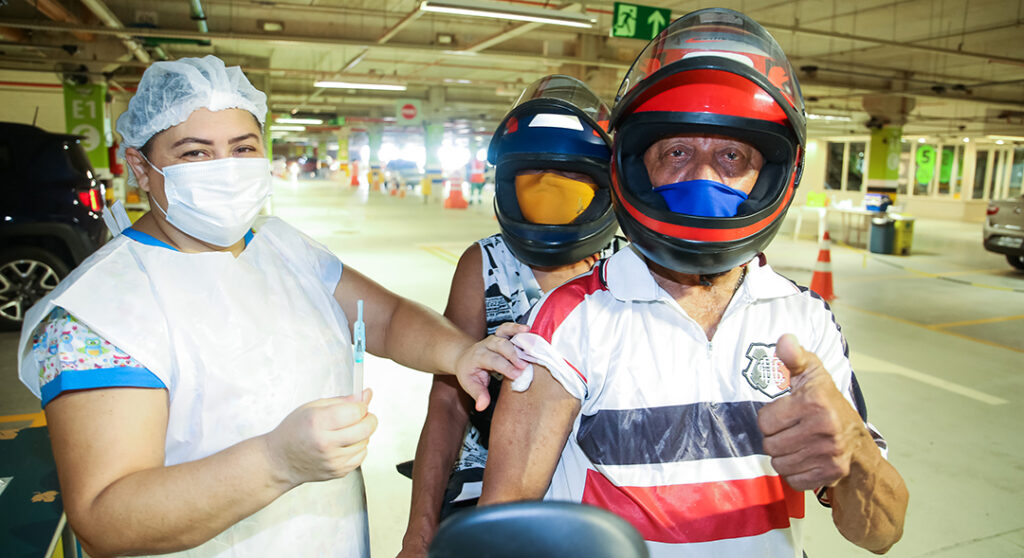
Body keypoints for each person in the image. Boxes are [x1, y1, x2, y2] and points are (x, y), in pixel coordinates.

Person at [16, 55, 524, 558]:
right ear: (140, 169)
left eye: (242, 147)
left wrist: (460, 354)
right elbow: (107, 518)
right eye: (195, 153)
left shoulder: (282, 250)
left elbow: (388, 318)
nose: (226, 169)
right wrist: (275, 461)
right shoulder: (99, 312)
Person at [479, 9, 908, 557]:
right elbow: (502, 527)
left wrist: (854, 456)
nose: (704, 179)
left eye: (731, 156)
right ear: (638, 168)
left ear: (771, 175)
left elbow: (881, 533)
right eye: (678, 153)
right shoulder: (569, 319)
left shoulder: (806, 321)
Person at [398, 75, 619, 557]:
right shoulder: (486, 263)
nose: (548, 192)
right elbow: (448, 402)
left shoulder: (627, 271)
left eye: (567, 182)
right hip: (486, 486)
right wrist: (419, 532)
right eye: (533, 180)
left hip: (601, 490)